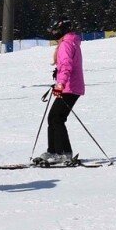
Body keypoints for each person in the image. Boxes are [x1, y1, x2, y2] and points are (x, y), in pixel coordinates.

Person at [34, 19, 84, 167]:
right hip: (71, 86)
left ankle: (62, 153)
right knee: (54, 118)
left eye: (55, 31)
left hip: (70, 87)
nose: (53, 34)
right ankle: (54, 151)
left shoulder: (66, 44)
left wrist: (60, 84)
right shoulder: (70, 42)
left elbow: (67, 66)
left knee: (56, 118)